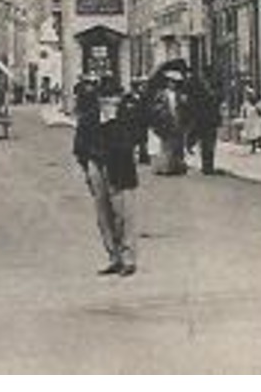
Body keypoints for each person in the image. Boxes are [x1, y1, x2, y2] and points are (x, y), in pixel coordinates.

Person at [73, 78, 139, 276]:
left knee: (123, 214)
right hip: (96, 165)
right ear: (100, 100)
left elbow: (132, 141)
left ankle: (128, 258)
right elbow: (79, 147)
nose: (111, 103)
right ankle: (113, 257)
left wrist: (112, 125)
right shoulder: (88, 119)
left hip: (120, 167)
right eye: (107, 99)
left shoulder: (126, 117)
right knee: (103, 216)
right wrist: (88, 167)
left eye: (115, 99)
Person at [151, 71, 188, 175]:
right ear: (167, 83)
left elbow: (183, 108)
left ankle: (177, 166)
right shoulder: (161, 94)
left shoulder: (179, 94)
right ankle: (166, 167)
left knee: (178, 143)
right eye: (171, 82)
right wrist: (161, 113)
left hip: (177, 119)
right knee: (166, 144)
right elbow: (156, 108)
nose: (173, 84)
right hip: (166, 121)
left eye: (175, 82)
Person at [186, 72, 221, 175]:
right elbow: (197, 108)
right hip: (204, 122)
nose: (207, 84)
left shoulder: (213, 93)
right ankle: (207, 166)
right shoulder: (201, 94)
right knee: (206, 144)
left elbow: (216, 107)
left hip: (210, 122)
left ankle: (208, 165)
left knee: (210, 144)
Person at [239, 87, 261, 152]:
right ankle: (254, 147)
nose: (248, 96)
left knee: (258, 133)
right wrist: (243, 117)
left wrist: (258, 111)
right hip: (249, 120)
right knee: (251, 134)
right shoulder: (246, 103)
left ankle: (260, 145)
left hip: (256, 120)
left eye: (250, 94)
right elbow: (243, 111)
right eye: (248, 94)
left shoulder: (257, 102)